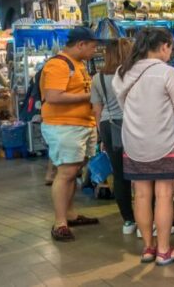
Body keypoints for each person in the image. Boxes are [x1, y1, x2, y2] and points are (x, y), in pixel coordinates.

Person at [112, 27, 174, 266]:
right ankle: (165, 251)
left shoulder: (122, 73)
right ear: (164, 46)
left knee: (141, 195)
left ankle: (148, 248)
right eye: (170, 47)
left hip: (134, 140)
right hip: (165, 140)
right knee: (164, 195)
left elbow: (124, 104)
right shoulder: (166, 73)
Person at [41, 27, 100, 242]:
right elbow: (53, 97)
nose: (94, 52)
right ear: (80, 44)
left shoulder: (79, 65)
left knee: (73, 171)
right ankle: (60, 223)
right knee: (65, 173)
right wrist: (89, 95)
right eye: (92, 47)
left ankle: (71, 214)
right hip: (64, 126)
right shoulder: (58, 64)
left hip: (81, 125)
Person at [90, 38, 136, 235]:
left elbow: (97, 109)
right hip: (133, 125)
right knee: (142, 173)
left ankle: (128, 221)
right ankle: (147, 221)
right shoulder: (132, 75)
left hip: (109, 126)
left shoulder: (97, 78)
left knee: (119, 174)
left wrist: (101, 134)